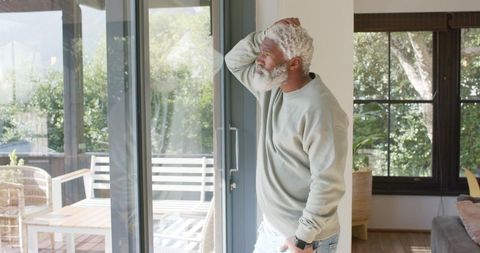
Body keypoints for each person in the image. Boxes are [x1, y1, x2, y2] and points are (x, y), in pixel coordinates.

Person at [225, 18, 348, 253]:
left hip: (303, 241)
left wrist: (302, 240)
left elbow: (328, 183)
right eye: (260, 52)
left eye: (267, 54)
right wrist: (267, 35)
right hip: (272, 231)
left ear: (293, 63)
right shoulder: (272, 89)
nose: (259, 60)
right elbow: (233, 62)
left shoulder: (321, 109)